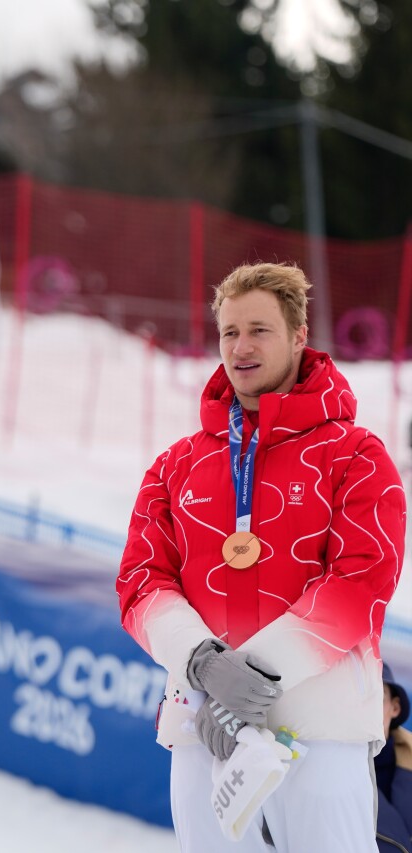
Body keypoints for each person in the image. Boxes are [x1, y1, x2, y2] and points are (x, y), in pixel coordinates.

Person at [117, 262, 405, 851]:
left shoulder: (355, 455)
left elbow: (360, 581)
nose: (240, 347)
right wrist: (202, 665)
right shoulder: (178, 463)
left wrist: (247, 684)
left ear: (300, 336)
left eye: (259, 330)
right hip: (206, 733)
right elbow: (141, 581)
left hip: (320, 729)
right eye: (229, 332)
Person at [377, 664, 412, 853]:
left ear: (395, 707)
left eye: (378, 698)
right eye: (362, 698)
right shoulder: (330, 768)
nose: (368, 708)